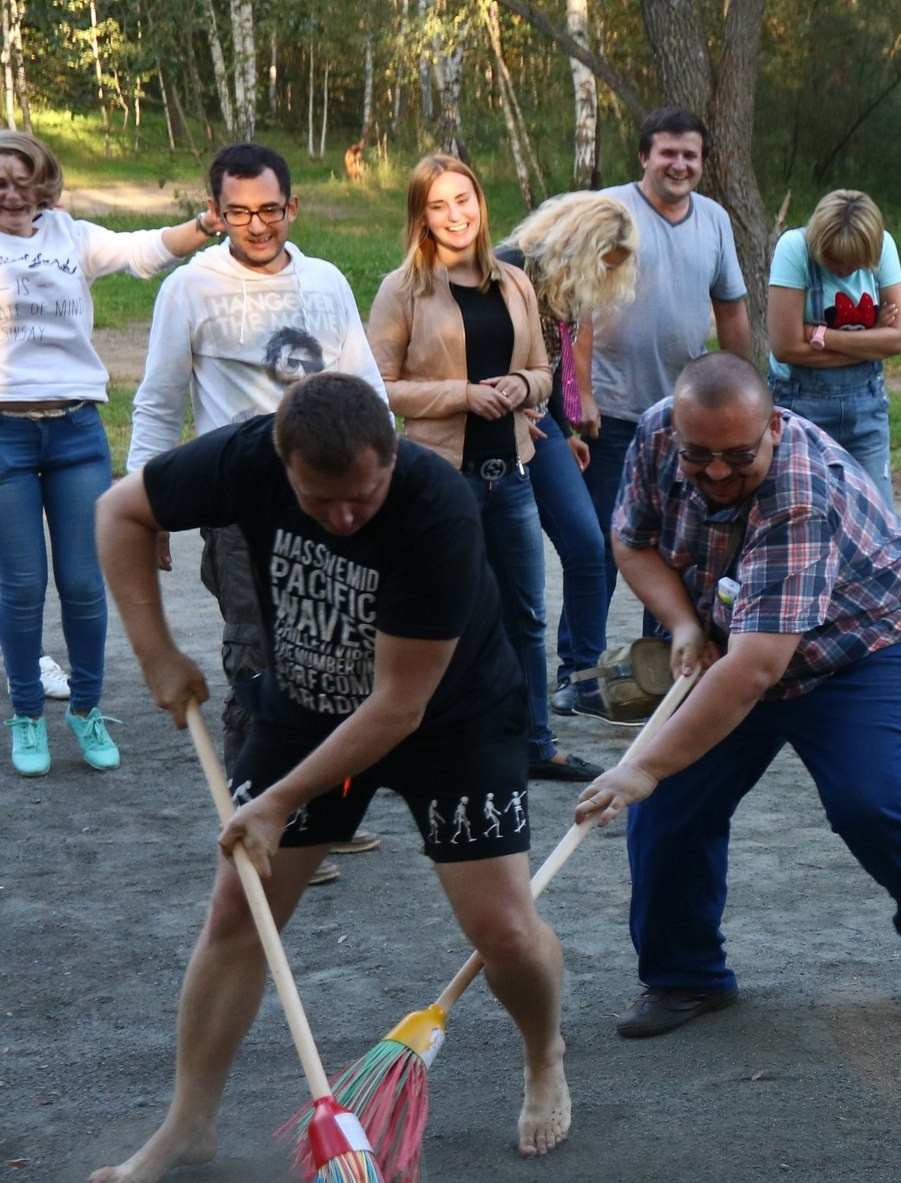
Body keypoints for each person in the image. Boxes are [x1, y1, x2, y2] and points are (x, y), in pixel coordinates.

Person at [87, 375, 571, 1183]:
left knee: (502, 927)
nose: (345, 518)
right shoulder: (245, 457)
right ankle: (189, 1120)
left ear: (391, 457)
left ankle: (543, 1053)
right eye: (320, 501)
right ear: (284, 463)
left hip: (451, 719)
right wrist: (157, 653)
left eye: (362, 497)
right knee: (238, 913)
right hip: (307, 701)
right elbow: (119, 512)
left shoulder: (438, 508)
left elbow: (399, 705)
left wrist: (276, 801)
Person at [575, 353, 901, 1034]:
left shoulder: (798, 489)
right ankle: (685, 976)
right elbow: (631, 540)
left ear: (773, 427)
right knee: (670, 802)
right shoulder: (653, 434)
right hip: (738, 637)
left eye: (738, 455)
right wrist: (680, 624)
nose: (719, 472)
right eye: (700, 455)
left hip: (867, 644)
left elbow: (755, 672)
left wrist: (639, 764)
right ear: (675, 432)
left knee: (869, 800)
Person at [129, 140, 386, 885]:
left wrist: (385, 479)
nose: (257, 225)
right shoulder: (189, 288)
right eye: (238, 212)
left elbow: (365, 385)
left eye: (270, 209)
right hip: (241, 502)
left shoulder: (328, 281)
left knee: (337, 652)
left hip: (333, 498)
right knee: (257, 651)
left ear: (292, 207)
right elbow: (157, 400)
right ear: (215, 214)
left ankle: (321, 813)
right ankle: (258, 815)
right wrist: (149, 510)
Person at [368, 154, 601, 784]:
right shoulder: (403, 289)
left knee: (525, 613)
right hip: (441, 479)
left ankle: (535, 742)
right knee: (442, 615)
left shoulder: (514, 282)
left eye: (463, 200)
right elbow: (381, 387)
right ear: (422, 214)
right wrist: (462, 394)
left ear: (480, 203)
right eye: (438, 205)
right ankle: (431, 744)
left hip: (513, 472)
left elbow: (545, 374)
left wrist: (521, 386)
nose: (454, 216)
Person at [0, 128, 217, 777]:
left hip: (76, 432)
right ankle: (28, 714)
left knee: (86, 584)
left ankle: (87, 709)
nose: (10, 191)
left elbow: (145, 251)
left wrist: (205, 223)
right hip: (4, 431)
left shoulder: (76, 238)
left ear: (43, 183)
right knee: (21, 587)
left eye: (21, 178)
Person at [579, 107, 753, 694]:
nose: (679, 165)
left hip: (685, 428)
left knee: (677, 552)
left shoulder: (715, 221)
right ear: (644, 157)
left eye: (690, 155)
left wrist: (746, 395)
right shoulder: (609, 212)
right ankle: (577, 672)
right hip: (612, 412)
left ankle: (664, 673)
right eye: (667, 153)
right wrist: (577, 399)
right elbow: (573, 307)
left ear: (701, 162)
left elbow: (730, 309)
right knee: (604, 547)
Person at [496, 191, 641, 725]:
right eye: (603, 264)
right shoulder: (508, 267)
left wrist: (569, 423)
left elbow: (554, 358)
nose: (606, 277)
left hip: (544, 421)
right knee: (498, 571)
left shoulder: (565, 285)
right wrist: (516, 408)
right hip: (491, 422)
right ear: (579, 246)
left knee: (588, 541)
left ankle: (580, 679)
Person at [768, 188, 901, 504]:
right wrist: (871, 339)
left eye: (853, 263)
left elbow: (897, 339)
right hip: (800, 405)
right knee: (803, 514)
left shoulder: (883, 246)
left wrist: (818, 335)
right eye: (832, 258)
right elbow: (786, 348)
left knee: (876, 518)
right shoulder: (794, 248)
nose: (841, 269)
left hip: (866, 407)